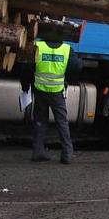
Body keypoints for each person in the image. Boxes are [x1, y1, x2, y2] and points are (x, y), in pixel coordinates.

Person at [22, 24, 80, 164]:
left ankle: (38, 152)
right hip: (56, 92)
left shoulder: (38, 47)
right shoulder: (67, 50)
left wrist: (25, 85)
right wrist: (67, 79)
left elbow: (26, 68)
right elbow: (77, 67)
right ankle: (67, 154)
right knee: (62, 122)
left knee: (40, 121)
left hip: (40, 90)